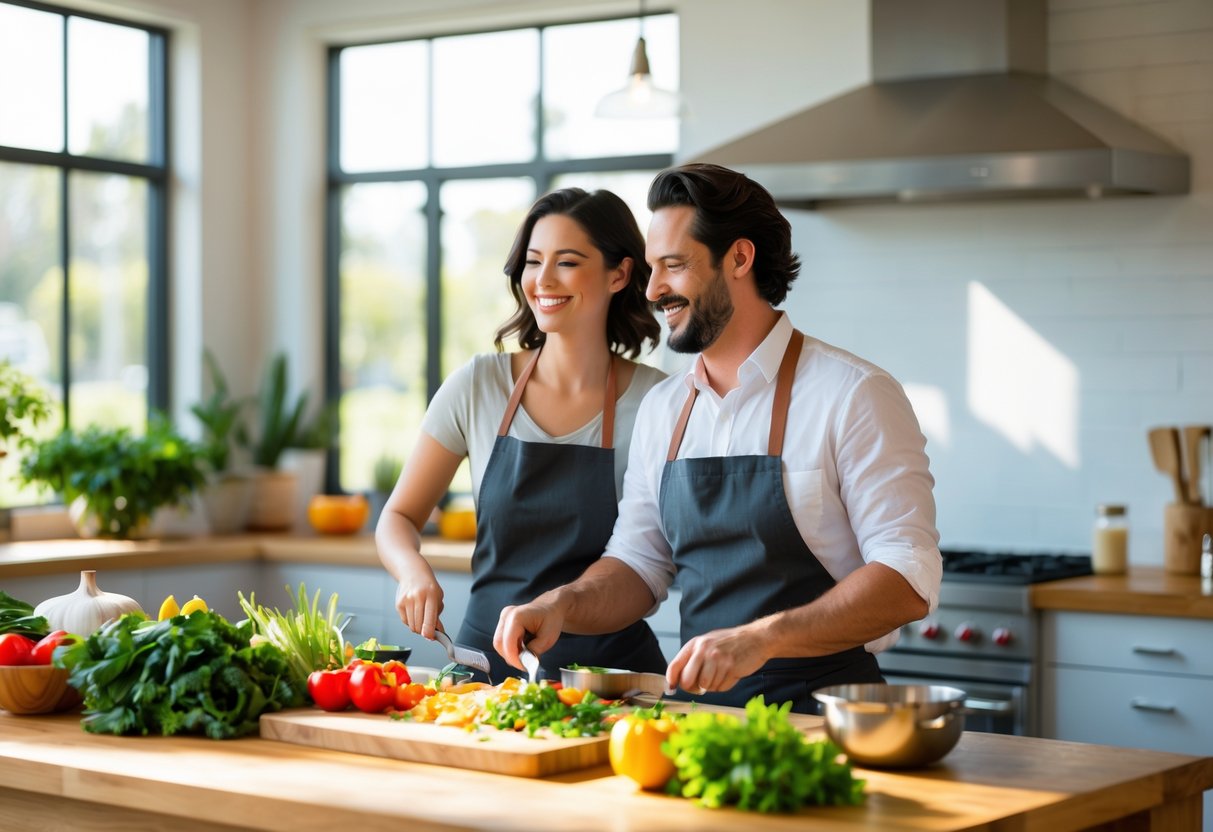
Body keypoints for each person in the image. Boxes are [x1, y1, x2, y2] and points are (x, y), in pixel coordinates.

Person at [494, 164, 941, 712]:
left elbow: (906, 578)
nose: (654, 289)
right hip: (700, 718)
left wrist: (761, 639)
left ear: (739, 258)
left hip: (825, 717)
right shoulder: (665, 409)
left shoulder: (853, 394)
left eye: (674, 266)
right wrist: (562, 604)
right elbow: (638, 562)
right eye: (652, 269)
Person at [376, 187, 669, 682]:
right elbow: (398, 516)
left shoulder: (660, 402)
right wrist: (411, 570)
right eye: (533, 262)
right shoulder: (479, 385)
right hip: (484, 672)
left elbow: (653, 560)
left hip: (611, 680)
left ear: (619, 274)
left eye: (568, 262)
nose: (543, 280)